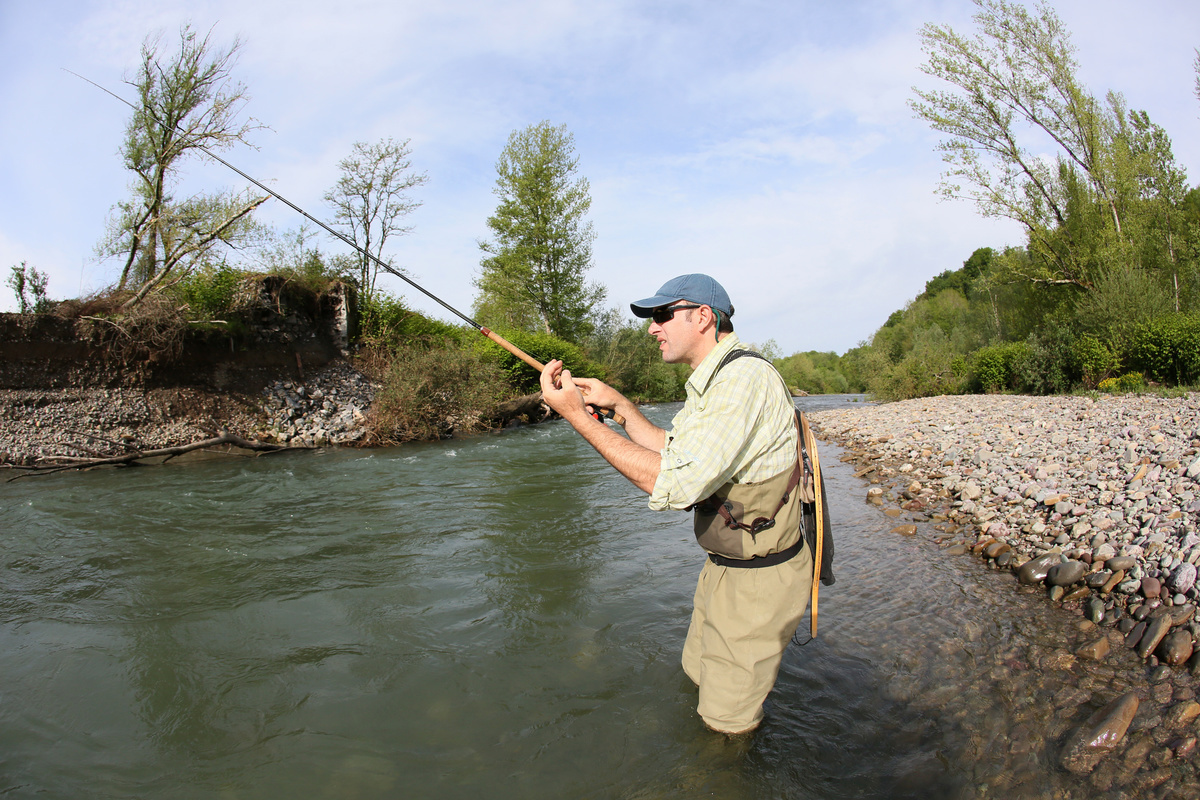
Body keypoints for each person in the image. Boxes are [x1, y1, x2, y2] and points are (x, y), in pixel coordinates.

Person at [539, 273, 813, 735]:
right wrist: (620, 407)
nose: (652, 327)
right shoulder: (717, 378)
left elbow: (677, 482)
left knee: (727, 723)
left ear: (704, 317)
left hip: (759, 580)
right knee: (698, 676)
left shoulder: (742, 380)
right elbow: (680, 450)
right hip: (727, 566)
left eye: (662, 314)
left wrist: (576, 419)